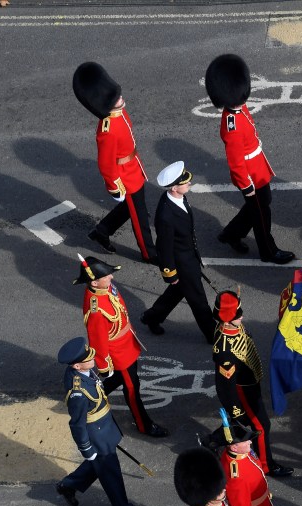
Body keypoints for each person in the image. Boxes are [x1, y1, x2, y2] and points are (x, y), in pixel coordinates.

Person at [204, 54, 295, 264]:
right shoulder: (232, 125)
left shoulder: (238, 108)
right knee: (262, 214)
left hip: (257, 167)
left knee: (261, 205)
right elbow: (235, 161)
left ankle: (231, 234)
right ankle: (268, 251)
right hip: (249, 174)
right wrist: (246, 185)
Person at [54, 337, 148, 506]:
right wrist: (86, 449)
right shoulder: (78, 393)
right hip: (96, 434)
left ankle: (69, 485)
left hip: (103, 427)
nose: (93, 358)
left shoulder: (84, 372)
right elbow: (77, 424)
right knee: (110, 471)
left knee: (98, 464)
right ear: (77, 367)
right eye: (88, 359)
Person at [73, 255, 167, 437]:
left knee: (119, 379)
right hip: (118, 354)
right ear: (94, 283)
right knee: (132, 387)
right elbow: (98, 341)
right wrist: (104, 366)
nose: (111, 277)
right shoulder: (96, 310)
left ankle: (90, 398)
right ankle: (144, 425)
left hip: (127, 343)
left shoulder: (106, 288)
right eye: (106, 276)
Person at [73, 62, 157, 262]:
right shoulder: (107, 129)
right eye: (115, 97)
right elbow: (106, 163)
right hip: (125, 176)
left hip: (132, 167)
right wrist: (115, 186)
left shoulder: (119, 113)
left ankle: (102, 230)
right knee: (140, 217)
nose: (120, 97)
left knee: (132, 208)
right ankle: (149, 253)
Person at [212, 290, 294, 478]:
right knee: (261, 426)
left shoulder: (230, 328)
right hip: (243, 390)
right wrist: (236, 410)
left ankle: (213, 441)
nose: (241, 316)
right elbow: (225, 387)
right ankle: (267, 465)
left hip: (249, 382)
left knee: (244, 424)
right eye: (237, 314)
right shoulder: (225, 350)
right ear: (226, 319)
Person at [138, 161, 216, 343]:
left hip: (189, 257)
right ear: (174, 187)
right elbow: (164, 248)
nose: (189, 183)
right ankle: (213, 334)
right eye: (184, 182)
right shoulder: (166, 216)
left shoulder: (179, 198)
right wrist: (170, 274)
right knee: (198, 300)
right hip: (182, 264)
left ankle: (152, 317)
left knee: (177, 292)